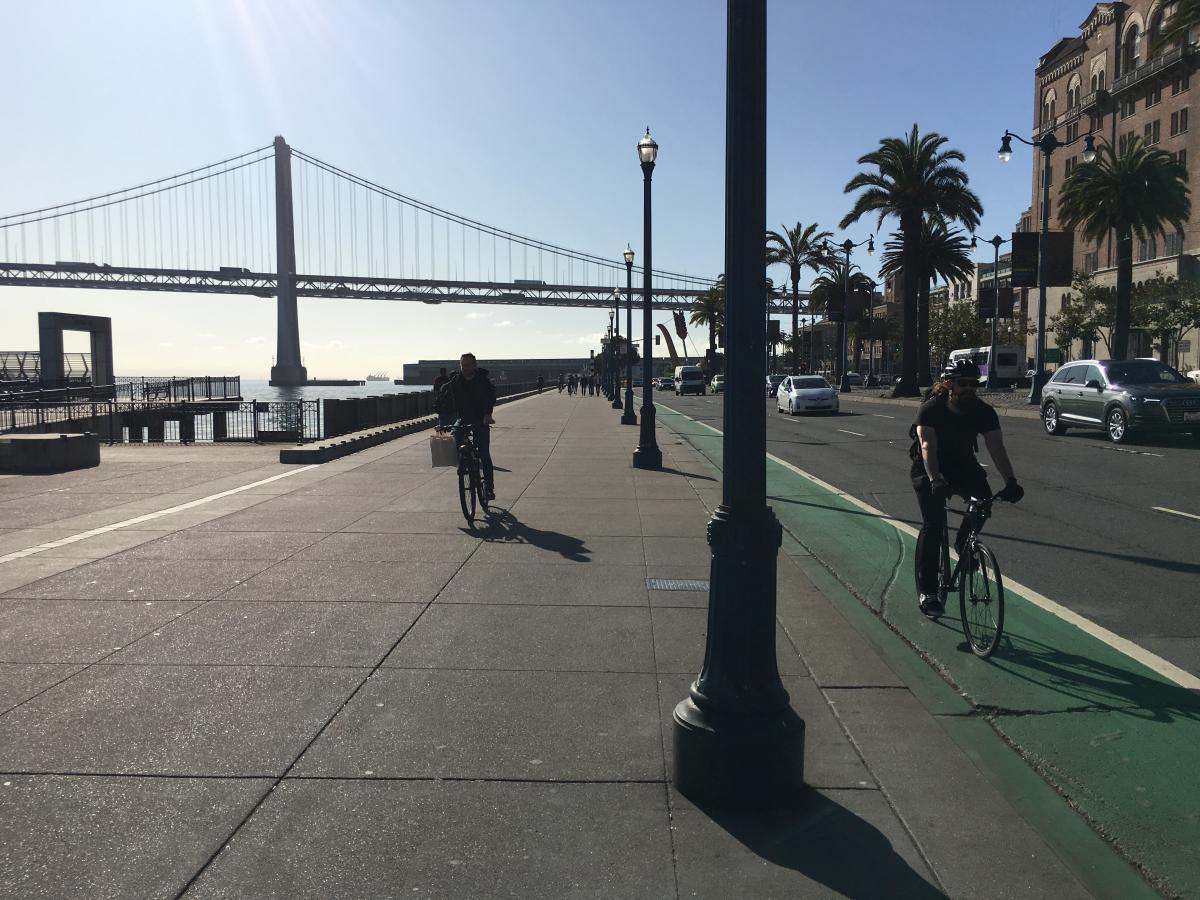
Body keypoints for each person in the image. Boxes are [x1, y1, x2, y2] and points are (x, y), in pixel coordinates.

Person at [910, 358, 1024, 618]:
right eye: (963, 383)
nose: (969, 388)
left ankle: (963, 543)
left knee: (983, 500)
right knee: (934, 524)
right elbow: (927, 446)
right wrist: (935, 479)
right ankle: (928, 592)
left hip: (963, 464)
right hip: (929, 466)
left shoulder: (982, 411)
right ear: (949, 384)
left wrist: (1011, 481)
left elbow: (996, 447)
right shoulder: (931, 409)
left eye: (974, 384)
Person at [436, 352, 497, 500]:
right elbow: (444, 399)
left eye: (469, 365)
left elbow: (491, 396)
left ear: (475, 365)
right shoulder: (455, 381)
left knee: (483, 454)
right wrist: (441, 422)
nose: (466, 368)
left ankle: (489, 487)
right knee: (455, 435)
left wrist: (488, 415)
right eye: (463, 365)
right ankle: (462, 463)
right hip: (463, 418)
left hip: (481, 418)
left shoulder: (482, 380)